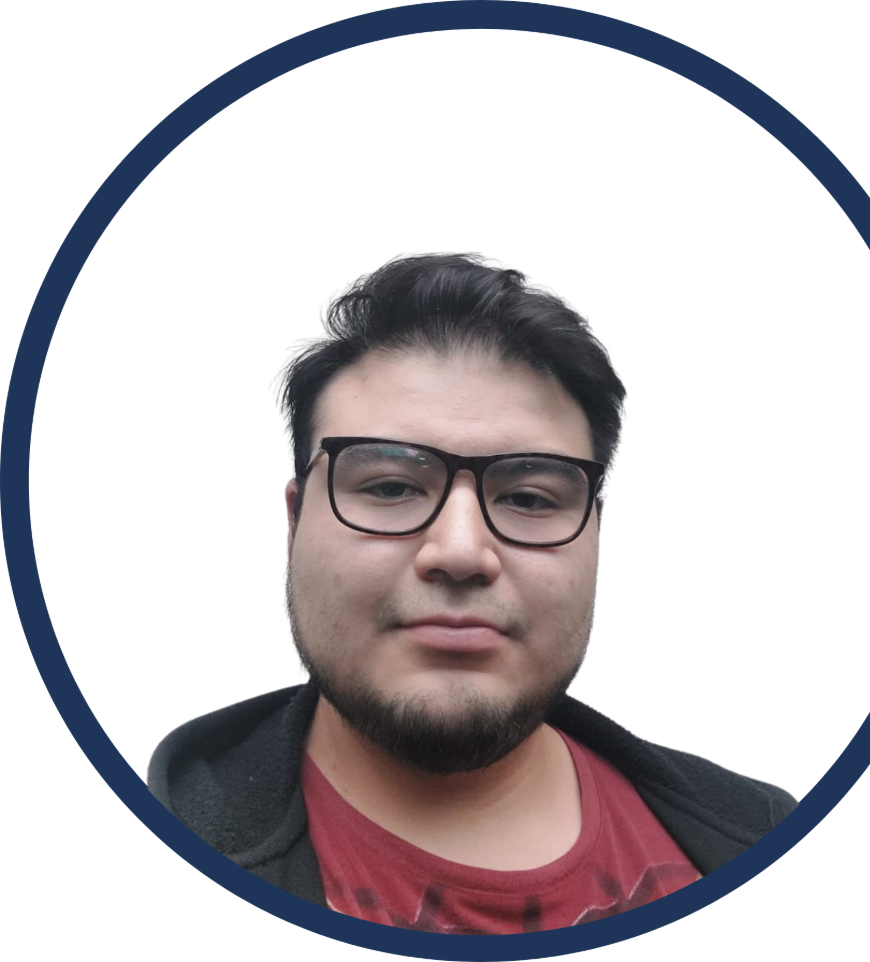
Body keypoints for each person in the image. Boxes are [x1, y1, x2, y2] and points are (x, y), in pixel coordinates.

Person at [148, 253, 796, 933]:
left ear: (595, 537)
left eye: (528, 498)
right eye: (390, 488)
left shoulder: (769, 847)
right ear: (294, 522)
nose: (459, 552)